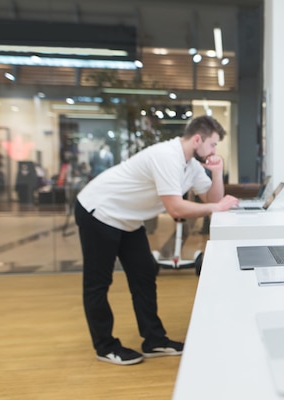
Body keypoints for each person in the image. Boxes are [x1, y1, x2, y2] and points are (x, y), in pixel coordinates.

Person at [74, 115, 239, 365]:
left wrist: (217, 173)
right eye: (213, 144)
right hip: (99, 211)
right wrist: (216, 208)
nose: (214, 150)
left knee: (144, 276)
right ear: (198, 139)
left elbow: (211, 199)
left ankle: (154, 340)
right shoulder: (166, 156)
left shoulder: (191, 165)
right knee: (98, 283)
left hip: (129, 219)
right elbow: (176, 208)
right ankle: (105, 346)